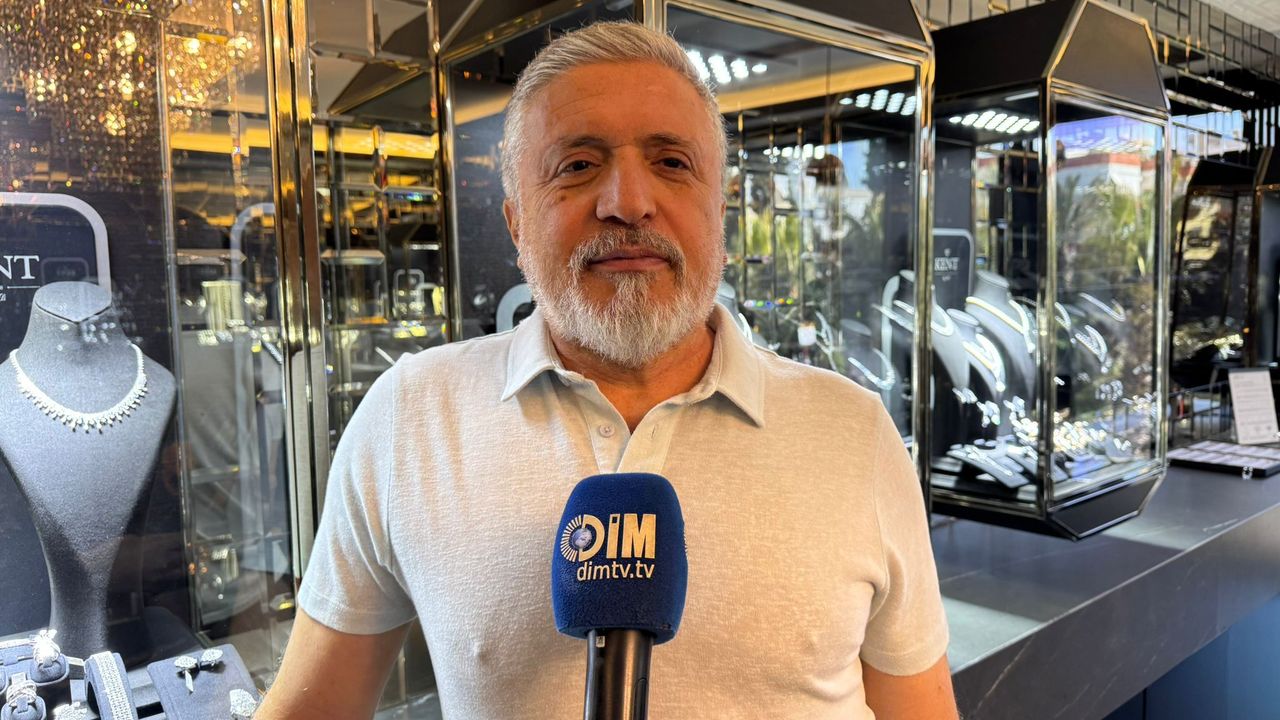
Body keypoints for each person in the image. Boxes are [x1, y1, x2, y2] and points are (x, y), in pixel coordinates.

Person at [257, 21, 956, 720]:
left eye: (672, 162)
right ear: (516, 224)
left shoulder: (853, 433)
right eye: (577, 165)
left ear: (719, 210)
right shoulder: (410, 416)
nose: (627, 202)